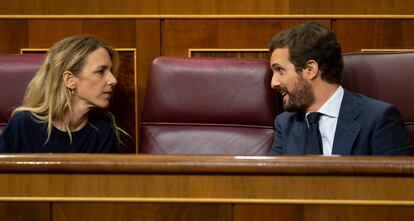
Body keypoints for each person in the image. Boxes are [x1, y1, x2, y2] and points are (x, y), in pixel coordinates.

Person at [269, 22, 412, 155]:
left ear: (310, 69)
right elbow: (273, 181)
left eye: (280, 70)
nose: (273, 83)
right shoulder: (285, 124)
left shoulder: (379, 119)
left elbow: (397, 182)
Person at [0, 35, 125, 153]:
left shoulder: (103, 131)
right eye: (101, 71)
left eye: (111, 71)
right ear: (70, 80)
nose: (113, 80)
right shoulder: (23, 124)